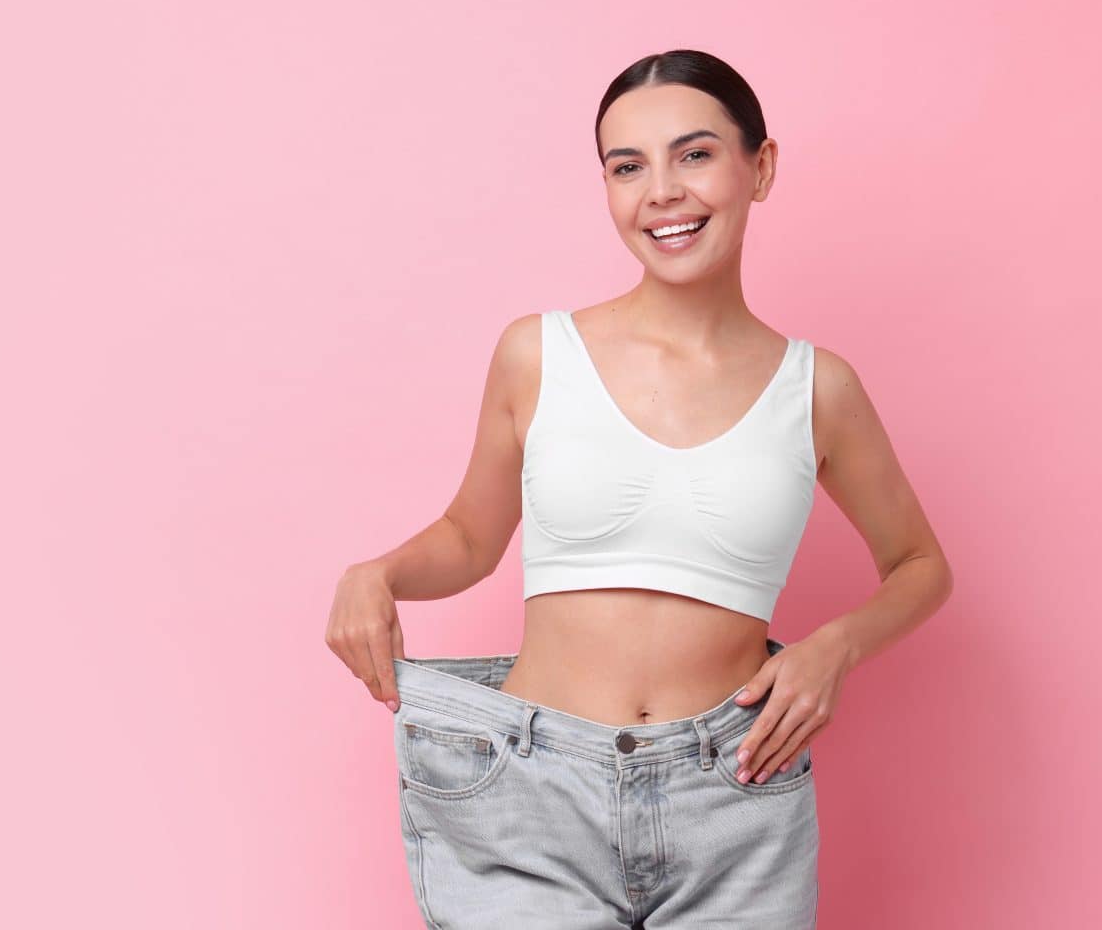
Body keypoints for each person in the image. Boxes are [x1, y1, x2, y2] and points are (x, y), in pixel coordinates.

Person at [324, 49, 954, 929]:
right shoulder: (537, 353)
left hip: (735, 790)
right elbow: (470, 537)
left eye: (694, 154)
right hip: (530, 788)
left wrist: (834, 647)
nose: (661, 190)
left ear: (759, 168)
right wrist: (377, 572)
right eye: (628, 167)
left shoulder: (819, 390)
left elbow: (921, 563)